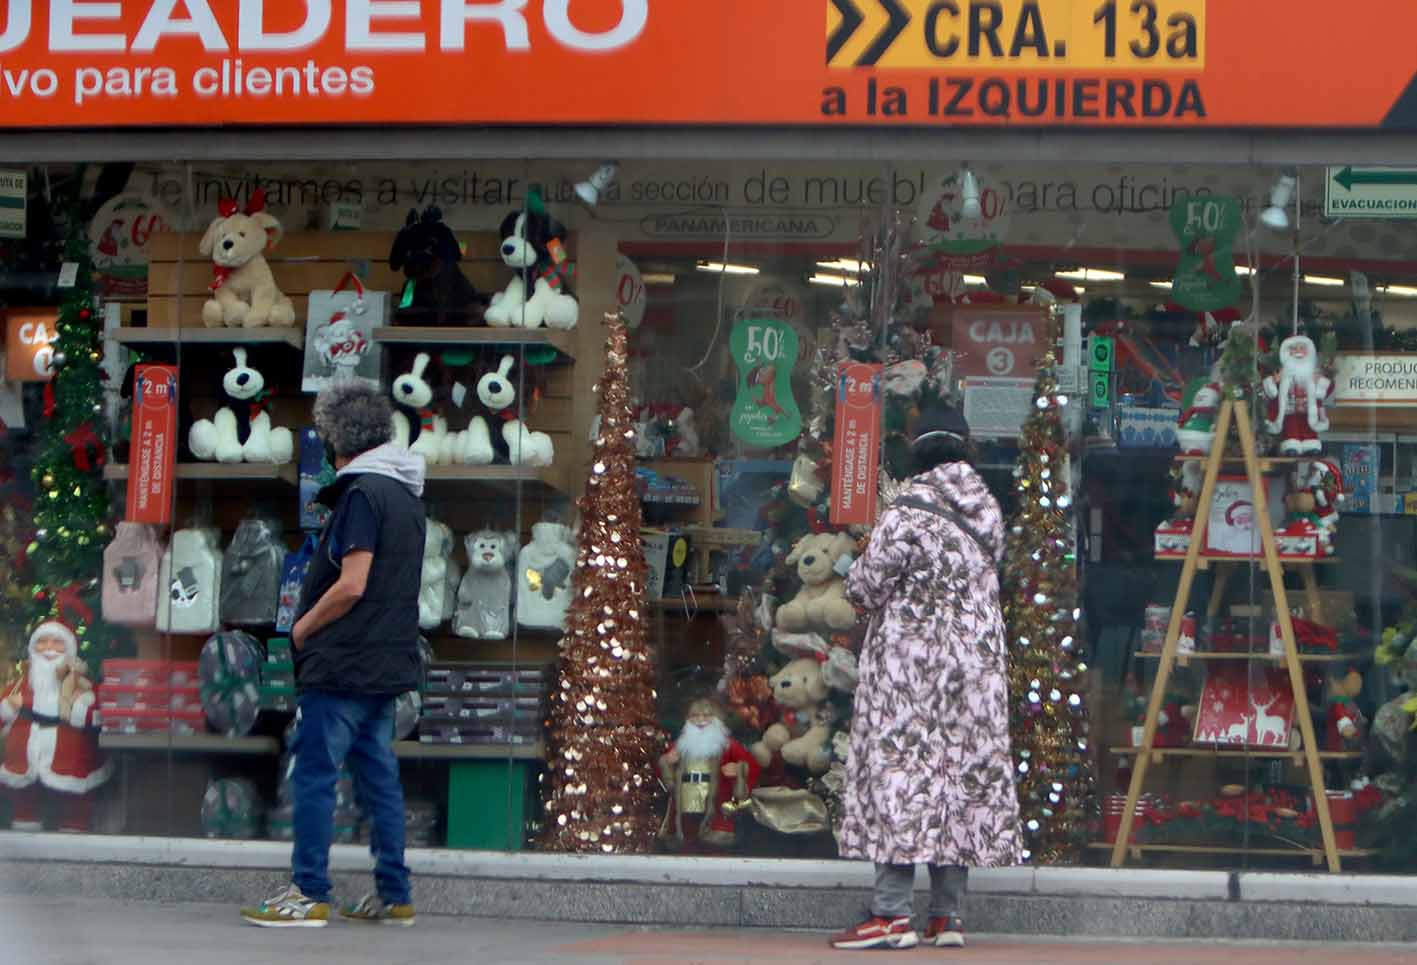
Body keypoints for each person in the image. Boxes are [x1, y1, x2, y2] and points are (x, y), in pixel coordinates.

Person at [830, 404, 1022, 951]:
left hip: (910, 670)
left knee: (901, 774)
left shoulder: (907, 509)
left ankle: (890, 913)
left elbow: (866, 588)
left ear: (918, 452)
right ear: (966, 451)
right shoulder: (988, 511)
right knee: (956, 778)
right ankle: (947, 916)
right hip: (975, 669)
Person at [241, 382, 426, 929]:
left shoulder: (362, 495)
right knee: (378, 778)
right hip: (386, 661)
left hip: (343, 661)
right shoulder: (406, 497)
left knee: (315, 773)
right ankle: (396, 897)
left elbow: (352, 584)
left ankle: (308, 892)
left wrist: (300, 630)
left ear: (336, 439)